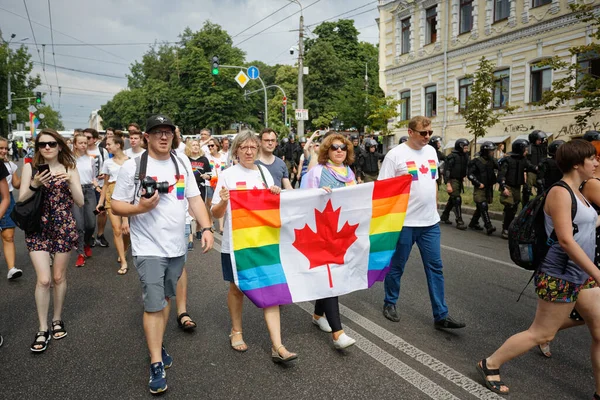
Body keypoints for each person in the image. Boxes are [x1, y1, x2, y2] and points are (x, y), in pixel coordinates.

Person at [477, 139, 600, 396]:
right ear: (577, 163)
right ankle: (490, 364)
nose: (597, 163)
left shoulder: (580, 192)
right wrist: (597, 272)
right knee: (541, 334)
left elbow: (587, 225)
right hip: (559, 275)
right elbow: (566, 240)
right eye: (592, 159)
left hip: (581, 274)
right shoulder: (560, 192)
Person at [111, 115, 214, 394]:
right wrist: (139, 209)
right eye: (157, 133)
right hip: (148, 247)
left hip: (176, 246)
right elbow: (116, 205)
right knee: (154, 303)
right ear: (147, 136)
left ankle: (157, 341)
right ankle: (156, 362)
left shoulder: (181, 163)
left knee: (166, 298)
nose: (163, 137)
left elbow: (194, 199)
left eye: (168, 132)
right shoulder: (132, 167)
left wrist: (206, 227)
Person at [211, 130, 298, 362]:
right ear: (236, 150)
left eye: (252, 147)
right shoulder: (227, 175)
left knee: (271, 288)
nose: (249, 152)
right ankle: (236, 331)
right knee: (236, 289)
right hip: (236, 244)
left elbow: (274, 207)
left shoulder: (264, 174)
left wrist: (275, 193)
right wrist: (223, 201)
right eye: (243, 147)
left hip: (262, 242)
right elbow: (215, 212)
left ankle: (277, 345)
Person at [379, 116, 466, 330]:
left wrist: (434, 204)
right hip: (405, 223)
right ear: (410, 132)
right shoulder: (395, 155)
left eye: (430, 133)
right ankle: (390, 302)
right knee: (397, 266)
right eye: (423, 133)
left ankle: (441, 314)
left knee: (435, 267)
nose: (428, 137)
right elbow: (383, 189)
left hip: (429, 224)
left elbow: (433, 180)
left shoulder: (431, 152)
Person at [21, 129, 84, 353]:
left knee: (58, 277)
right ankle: (42, 328)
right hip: (37, 227)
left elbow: (80, 201)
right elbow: (21, 199)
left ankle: (57, 318)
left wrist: (70, 182)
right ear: (37, 147)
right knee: (44, 279)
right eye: (42, 144)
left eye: (51, 144)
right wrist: (35, 184)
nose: (47, 148)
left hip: (63, 227)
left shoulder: (70, 168)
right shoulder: (30, 168)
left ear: (59, 146)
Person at [300, 133, 358, 349]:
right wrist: (317, 194)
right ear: (327, 151)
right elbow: (302, 199)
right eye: (334, 147)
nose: (339, 150)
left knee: (331, 277)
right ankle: (338, 333)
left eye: (343, 147)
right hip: (321, 234)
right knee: (330, 280)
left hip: (341, 235)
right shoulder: (317, 172)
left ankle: (317, 315)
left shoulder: (350, 173)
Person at [98, 135, 130, 275]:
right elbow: (105, 184)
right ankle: (123, 261)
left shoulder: (131, 161)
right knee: (116, 229)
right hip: (111, 193)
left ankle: (125, 247)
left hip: (127, 195)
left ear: (118, 145)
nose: (107, 147)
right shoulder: (107, 162)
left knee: (126, 230)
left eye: (109, 144)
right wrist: (101, 202)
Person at [498, 139, 536, 239]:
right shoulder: (507, 160)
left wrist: (540, 168)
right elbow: (501, 175)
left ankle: (510, 226)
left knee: (514, 207)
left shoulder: (523, 160)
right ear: (520, 149)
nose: (526, 151)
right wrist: (503, 187)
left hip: (517, 187)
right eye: (525, 149)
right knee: (510, 206)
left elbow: (531, 167)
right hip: (508, 186)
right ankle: (505, 228)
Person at [72, 133, 98, 267]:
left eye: (85, 143)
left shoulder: (91, 159)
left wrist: (97, 186)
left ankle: (87, 243)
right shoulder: (69, 160)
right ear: (75, 144)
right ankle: (80, 253)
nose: (83, 145)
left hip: (89, 191)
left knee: (91, 224)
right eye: (80, 143)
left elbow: (94, 177)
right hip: (75, 191)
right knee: (79, 225)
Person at [83, 128, 110, 247]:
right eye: (84, 137)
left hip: (100, 185)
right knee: (88, 213)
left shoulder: (102, 151)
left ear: (95, 139)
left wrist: (104, 175)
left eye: (88, 137)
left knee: (101, 212)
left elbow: (108, 166)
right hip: (86, 186)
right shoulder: (80, 151)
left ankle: (100, 234)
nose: (85, 140)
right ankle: (90, 236)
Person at [0, 136, 22, 279]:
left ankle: (11, 268)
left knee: (8, 236)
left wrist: (27, 175)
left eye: (6, 148)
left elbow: (16, 185)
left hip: (6, 198)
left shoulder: (10, 165)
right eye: (1, 148)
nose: (4, 151)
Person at [467, 141, 498, 235]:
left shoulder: (492, 160)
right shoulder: (476, 162)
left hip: (488, 187)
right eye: (491, 151)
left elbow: (500, 168)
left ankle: (473, 223)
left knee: (480, 206)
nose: (492, 152)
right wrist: (478, 183)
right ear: (485, 151)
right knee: (483, 205)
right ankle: (488, 226)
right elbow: (470, 174)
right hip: (480, 187)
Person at [440, 139, 470, 230]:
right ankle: (459, 220)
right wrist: (448, 183)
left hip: (459, 180)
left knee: (453, 198)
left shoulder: (465, 156)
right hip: (452, 180)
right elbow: (447, 170)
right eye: (465, 148)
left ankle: (445, 215)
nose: (467, 149)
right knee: (457, 198)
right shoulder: (452, 157)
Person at [206, 138, 228, 233]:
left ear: (217, 146)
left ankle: (221, 227)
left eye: (212, 145)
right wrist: (206, 140)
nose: (210, 147)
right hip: (210, 183)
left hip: (220, 183)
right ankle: (210, 222)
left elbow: (227, 168)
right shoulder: (207, 156)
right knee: (210, 204)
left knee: (221, 203)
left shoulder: (223, 157)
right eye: (209, 146)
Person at [525, 130, 548, 204]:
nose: (540, 142)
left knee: (541, 189)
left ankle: (538, 204)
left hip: (540, 172)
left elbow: (544, 158)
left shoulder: (542, 148)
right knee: (527, 189)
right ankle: (525, 205)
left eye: (541, 140)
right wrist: (534, 167)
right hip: (532, 172)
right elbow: (526, 161)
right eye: (538, 140)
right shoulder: (529, 148)